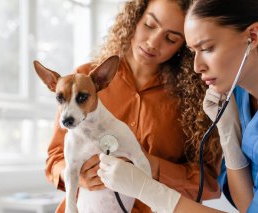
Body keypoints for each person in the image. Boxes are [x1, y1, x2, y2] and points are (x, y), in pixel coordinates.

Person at [45, 0, 222, 212]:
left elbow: (210, 183)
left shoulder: (195, 100)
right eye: (149, 25)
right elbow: (55, 157)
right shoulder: (83, 81)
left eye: (171, 38)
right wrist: (76, 175)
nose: (153, 43)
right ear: (134, 19)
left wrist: (149, 167)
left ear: (185, 46)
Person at [98, 0, 258, 212]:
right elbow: (248, 205)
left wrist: (148, 190)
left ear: (253, 36)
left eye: (207, 48)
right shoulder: (235, 94)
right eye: (193, 52)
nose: (197, 67)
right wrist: (229, 136)